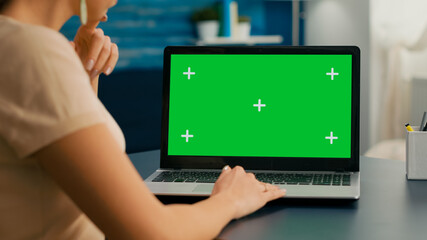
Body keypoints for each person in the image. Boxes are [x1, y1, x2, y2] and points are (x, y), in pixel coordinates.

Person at [0, 0, 286, 239]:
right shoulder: (33, 51)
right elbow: (157, 234)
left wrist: (82, 77)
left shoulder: (16, 43)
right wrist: (231, 199)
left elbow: (66, 177)